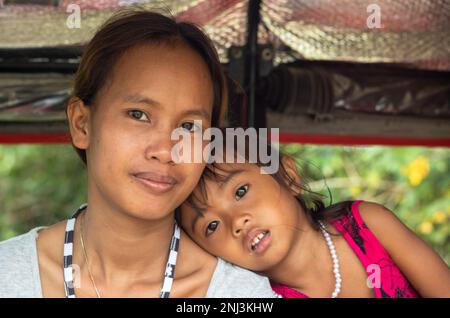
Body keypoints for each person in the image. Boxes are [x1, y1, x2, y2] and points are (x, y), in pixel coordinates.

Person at [0, 9, 277, 298]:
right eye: (138, 114)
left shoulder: (242, 295)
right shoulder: (7, 275)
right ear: (82, 124)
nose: (165, 151)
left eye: (188, 126)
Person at [178, 131, 450, 298]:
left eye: (240, 192)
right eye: (211, 226)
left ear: (289, 176)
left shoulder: (368, 224)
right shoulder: (256, 297)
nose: (236, 222)